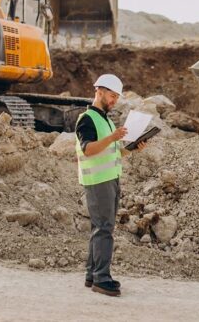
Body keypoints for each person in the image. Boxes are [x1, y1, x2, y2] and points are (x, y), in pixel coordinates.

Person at [74, 73, 145, 297]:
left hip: (110, 179)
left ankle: (91, 274)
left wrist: (131, 149)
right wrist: (113, 138)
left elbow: (110, 151)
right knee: (104, 228)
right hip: (98, 181)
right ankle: (102, 279)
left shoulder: (105, 119)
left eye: (117, 97)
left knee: (101, 228)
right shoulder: (87, 119)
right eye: (112, 96)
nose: (114, 100)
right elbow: (88, 149)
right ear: (100, 92)